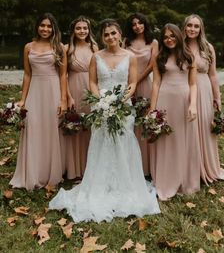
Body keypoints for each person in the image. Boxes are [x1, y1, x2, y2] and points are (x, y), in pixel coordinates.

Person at [49, 19, 160, 222]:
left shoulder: (130, 57)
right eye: (106, 34)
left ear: (119, 35)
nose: (110, 37)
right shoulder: (96, 56)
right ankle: (101, 185)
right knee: (101, 142)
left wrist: (121, 101)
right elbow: (93, 81)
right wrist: (100, 101)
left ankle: (125, 185)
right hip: (100, 105)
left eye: (113, 33)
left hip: (123, 106)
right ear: (102, 37)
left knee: (122, 141)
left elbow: (132, 83)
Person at [10, 13, 67, 190]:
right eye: (42, 25)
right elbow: (27, 74)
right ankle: (33, 173)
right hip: (35, 90)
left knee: (50, 128)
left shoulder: (59, 47)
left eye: (49, 26)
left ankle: (50, 173)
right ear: (37, 27)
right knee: (33, 127)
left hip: (52, 90)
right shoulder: (28, 47)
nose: (45, 29)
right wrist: (22, 99)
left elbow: (63, 74)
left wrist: (63, 99)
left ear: (53, 29)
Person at [149, 23, 201, 200]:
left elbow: (193, 84)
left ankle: (185, 179)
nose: (169, 39)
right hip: (165, 101)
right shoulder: (159, 57)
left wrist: (193, 104)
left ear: (178, 36)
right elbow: (155, 84)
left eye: (172, 36)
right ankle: (166, 178)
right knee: (167, 140)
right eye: (165, 37)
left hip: (183, 101)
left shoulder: (188, 56)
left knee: (183, 138)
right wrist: (152, 110)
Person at [183, 14, 224, 183]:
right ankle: (189, 167)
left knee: (205, 128)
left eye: (196, 26)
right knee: (187, 128)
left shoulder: (208, 48)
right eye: (189, 25)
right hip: (184, 90)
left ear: (201, 29)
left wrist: (217, 97)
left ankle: (207, 166)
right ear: (184, 27)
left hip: (204, 88)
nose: (192, 29)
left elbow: (213, 75)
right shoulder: (179, 46)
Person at [62, 16, 98, 179]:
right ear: (73, 31)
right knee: (74, 126)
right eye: (78, 28)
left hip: (91, 90)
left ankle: (90, 168)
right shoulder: (67, 48)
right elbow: (63, 75)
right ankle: (74, 169)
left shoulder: (95, 48)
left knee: (91, 128)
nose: (82, 31)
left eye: (85, 28)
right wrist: (68, 97)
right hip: (74, 89)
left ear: (89, 30)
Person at [124, 13, 158, 176]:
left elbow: (152, 64)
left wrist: (137, 80)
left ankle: (146, 167)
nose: (137, 26)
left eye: (140, 23)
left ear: (145, 24)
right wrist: (130, 83)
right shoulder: (126, 42)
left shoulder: (153, 42)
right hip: (127, 85)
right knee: (129, 122)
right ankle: (130, 165)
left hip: (144, 84)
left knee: (145, 121)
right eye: (134, 24)